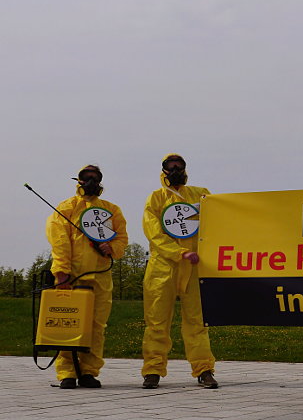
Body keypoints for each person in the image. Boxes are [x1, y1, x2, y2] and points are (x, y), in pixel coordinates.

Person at [46, 165, 128, 389]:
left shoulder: (112, 210)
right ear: (79, 181)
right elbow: (59, 242)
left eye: (95, 177)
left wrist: (112, 248)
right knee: (67, 325)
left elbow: (122, 238)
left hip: (100, 277)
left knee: (96, 327)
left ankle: (89, 372)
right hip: (70, 278)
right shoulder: (66, 207)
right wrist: (61, 274)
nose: (91, 180)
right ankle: (67, 373)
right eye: (86, 177)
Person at [140, 154, 218, 389]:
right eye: (170, 167)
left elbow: (219, 218)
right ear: (163, 170)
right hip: (162, 268)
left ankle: (204, 369)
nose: (175, 170)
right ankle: (152, 371)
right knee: (156, 322)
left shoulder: (201, 194)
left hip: (195, 267)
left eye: (179, 166)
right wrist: (179, 252)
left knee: (198, 321)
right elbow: (153, 232)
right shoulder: (155, 198)